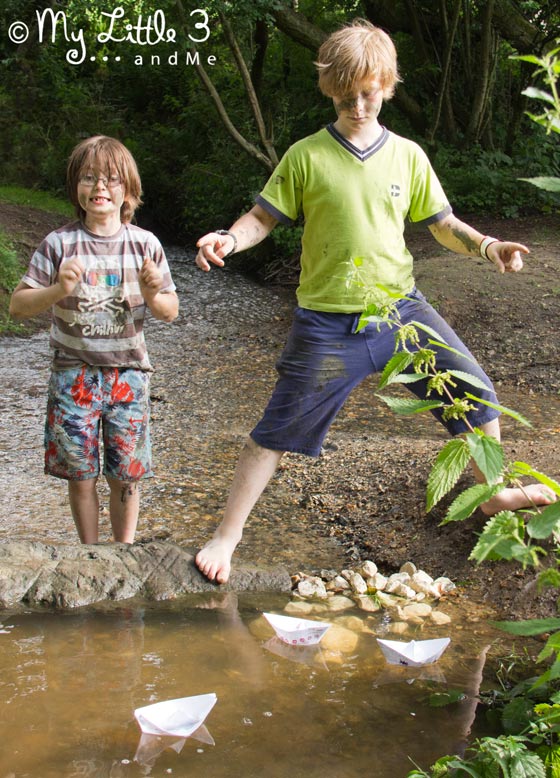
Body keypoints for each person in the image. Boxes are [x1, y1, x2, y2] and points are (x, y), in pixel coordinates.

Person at [194, 20, 553, 584]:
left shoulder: (407, 156)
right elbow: (264, 218)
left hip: (400, 313)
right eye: (346, 94)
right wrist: (230, 239)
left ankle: (493, 495)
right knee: (276, 430)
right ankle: (227, 534)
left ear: (386, 86)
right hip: (327, 325)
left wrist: (489, 246)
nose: (358, 104)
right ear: (330, 90)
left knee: (475, 393)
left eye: (369, 92)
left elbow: (440, 224)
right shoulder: (306, 156)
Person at [9, 135, 179, 544]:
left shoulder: (145, 245)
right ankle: (89, 553)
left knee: (126, 475)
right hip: (73, 374)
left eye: (110, 180)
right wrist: (56, 291)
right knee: (81, 475)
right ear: (76, 189)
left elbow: (170, 312)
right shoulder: (59, 244)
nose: (100, 188)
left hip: (129, 375)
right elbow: (17, 306)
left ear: (128, 191)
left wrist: (154, 292)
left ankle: (124, 550)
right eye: (89, 178)